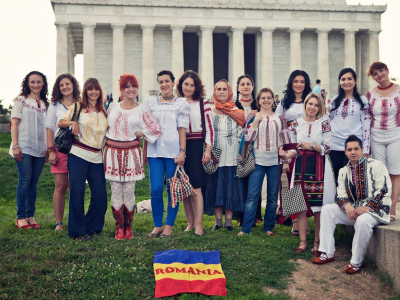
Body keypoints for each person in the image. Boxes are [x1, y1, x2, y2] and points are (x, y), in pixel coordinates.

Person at [311, 135, 392, 274]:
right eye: (349, 149)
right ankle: (327, 252)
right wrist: (347, 206)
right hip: (354, 210)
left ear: (362, 149)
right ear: (345, 152)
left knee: (362, 220)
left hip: (376, 211)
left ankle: (356, 261)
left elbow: (384, 190)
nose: (353, 152)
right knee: (327, 210)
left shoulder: (376, 165)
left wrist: (368, 207)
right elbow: (340, 194)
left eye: (356, 149)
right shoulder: (343, 171)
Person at [104, 74, 161, 240]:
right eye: (127, 86)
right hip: (113, 152)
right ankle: (118, 228)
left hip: (131, 153)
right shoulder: (113, 107)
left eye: (133, 86)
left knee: (129, 191)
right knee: (115, 190)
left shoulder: (142, 108)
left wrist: (142, 132)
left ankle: (128, 227)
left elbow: (156, 128)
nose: (131, 89)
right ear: (121, 90)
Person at [280, 93, 333, 254]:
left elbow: (328, 148)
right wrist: (285, 157)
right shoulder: (296, 124)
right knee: (301, 206)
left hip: (318, 167)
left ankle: (317, 242)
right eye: (310, 104)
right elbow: (294, 149)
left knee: (318, 208)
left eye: (316, 105)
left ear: (320, 108)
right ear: (305, 105)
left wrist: (313, 145)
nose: (312, 107)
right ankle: (303, 241)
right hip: (300, 166)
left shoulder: (324, 123)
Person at [58, 78, 108, 241]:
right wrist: (73, 122)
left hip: (97, 157)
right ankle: (77, 231)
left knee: (100, 195)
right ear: (85, 91)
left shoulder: (103, 110)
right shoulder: (78, 107)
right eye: (90, 89)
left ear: (100, 92)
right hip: (78, 154)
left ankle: (92, 227)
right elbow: (60, 122)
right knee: (77, 193)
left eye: (96, 89)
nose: (93, 92)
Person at [238, 88, 290, 236]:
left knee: (273, 196)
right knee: (252, 195)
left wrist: (286, 160)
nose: (266, 100)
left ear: (274, 100)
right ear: (258, 101)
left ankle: (268, 227)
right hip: (257, 161)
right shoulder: (253, 116)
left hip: (275, 162)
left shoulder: (280, 118)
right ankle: (246, 228)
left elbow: (286, 140)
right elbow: (248, 139)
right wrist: (255, 122)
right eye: (263, 98)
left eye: (269, 97)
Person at [143, 70, 190, 237]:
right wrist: (144, 151)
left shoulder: (181, 104)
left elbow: (182, 129)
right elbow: (147, 129)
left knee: (172, 190)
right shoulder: (151, 103)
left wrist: (182, 151)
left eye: (166, 81)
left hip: (173, 152)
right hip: (154, 151)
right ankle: (157, 225)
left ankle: (169, 225)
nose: (164, 84)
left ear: (172, 82)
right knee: (155, 189)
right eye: (160, 81)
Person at [204, 79, 246, 231]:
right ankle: (218, 221)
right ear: (214, 92)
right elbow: (206, 132)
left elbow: (242, 134)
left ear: (229, 92)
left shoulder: (237, 112)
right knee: (215, 186)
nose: (221, 92)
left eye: (224, 89)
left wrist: (240, 155)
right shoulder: (208, 111)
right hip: (214, 155)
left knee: (230, 187)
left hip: (232, 154)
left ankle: (229, 221)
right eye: (218, 89)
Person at [10, 71, 49, 229]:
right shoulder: (21, 100)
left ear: (43, 84)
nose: (35, 85)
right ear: (27, 83)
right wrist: (15, 146)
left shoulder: (46, 104)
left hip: (40, 148)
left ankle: (30, 216)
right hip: (23, 146)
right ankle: (20, 218)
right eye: (32, 82)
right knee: (24, 180)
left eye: (39, 82)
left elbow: (48, 127)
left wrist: (48, 148)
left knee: (34, 183)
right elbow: (14, 123)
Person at [176, 70, 213, 236]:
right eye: (186, 84)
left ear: (196, 87)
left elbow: (210, 129)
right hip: (180, 146)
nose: (189, 87)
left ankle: (199, 224)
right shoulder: (176, 103)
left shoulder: (203, 103)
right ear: (181, 85)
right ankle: (190, 224)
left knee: (196, 187)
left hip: (197, 144)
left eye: (192, 84)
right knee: (185, 187)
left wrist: (208, 149)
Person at [276, 70, 312, 235]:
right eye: (296, 81)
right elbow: (277, 124)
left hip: (306, 146)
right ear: (291, 83)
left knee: (305, 183)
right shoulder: (284, 103)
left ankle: (307, 220)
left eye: (302, 81)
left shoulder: (311, 101)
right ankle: (295, 221)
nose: (299, 84)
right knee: (291, 183)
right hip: (290, 145)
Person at [366, 61, 400, 221]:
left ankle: (392, 207)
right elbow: (367, 116)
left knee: (395, 172)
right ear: (373, 78)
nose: (379, 75)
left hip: (396, 134)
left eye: (381, 71)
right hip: (376, 136)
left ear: (387, 70)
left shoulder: (399, 90)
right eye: (375, 74)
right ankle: (382, 205)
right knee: (381, 173)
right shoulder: (370, 93)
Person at [47, 73, 81, 231]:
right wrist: (50, 150)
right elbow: (49, 128)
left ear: (73, 85)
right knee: (60, 186)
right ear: (58, 88)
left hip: (80, 149)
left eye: (68, 84)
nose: (65, 87)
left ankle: (76, 220)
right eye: (61, 85)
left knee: (75, 187)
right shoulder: (54, 105)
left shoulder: (82, 104)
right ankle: (59, 222)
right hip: (60, 148)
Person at [329, 68, 370, 185]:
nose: (346, 82)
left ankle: (352, 203)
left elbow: (366, 125)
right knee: (338, 177)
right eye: (343, 79)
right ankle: (340, 202)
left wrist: (366, 148)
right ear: (339, 82)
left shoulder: (363, 100)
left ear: (355, 81)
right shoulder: (334, 100)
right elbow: (328, 121)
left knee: (352, 178)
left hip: (353, 146)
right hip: (335, 145)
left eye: (349, 79)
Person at [234, 74, 263, 225]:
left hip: (256, 146)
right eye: (242, 84)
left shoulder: (259, 105)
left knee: (253, 182)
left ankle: (254, 216)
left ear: (252, 86)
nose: (245, 86)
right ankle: (240, 217)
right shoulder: (233, 106)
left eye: (248, 83)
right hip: (238, 146)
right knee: (240, 181)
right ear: (238, 88)